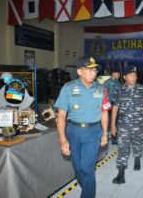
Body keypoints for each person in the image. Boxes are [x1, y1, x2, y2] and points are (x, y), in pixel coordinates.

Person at [55, 56, 111, 198]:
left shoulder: (101, 89)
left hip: (93, 132)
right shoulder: (68, 88)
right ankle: (87, 187)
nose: (94, 73)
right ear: (80, 71)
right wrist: (62, 140)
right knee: (78, 168)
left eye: (95, 70)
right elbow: (61, 116)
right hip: (73, 131)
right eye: (90, 70)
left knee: (87, 168)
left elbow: (104, 112)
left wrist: (105, 133)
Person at [111, 66, 143, 184]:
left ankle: (137, 158)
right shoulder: (119, 90)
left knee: (138, 144)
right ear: (125, 77)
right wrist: (113, 125)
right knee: (123, 148)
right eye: (130, 75)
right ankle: (121, 173)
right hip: (124, 125)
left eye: (134, 75)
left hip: (139, 123)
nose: (133, 77)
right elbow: (115, 108)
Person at [103, 66, 122, 144]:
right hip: (109, 104)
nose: (119, 75)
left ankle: (114, 137)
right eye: (118, 73)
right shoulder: (107, 82)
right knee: (108, 121)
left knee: (115, 121)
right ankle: (106, 137)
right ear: (113, 73)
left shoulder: (118, 82)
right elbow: (103, 94)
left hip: (116, 104)